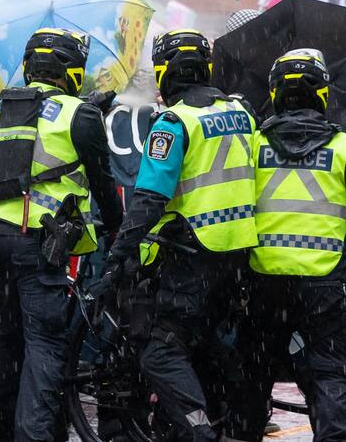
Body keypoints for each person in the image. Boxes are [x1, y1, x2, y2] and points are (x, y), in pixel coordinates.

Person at [94, 29, 258, 442]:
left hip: (192, 254)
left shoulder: (174, 121)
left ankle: (197, 430)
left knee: (160, 348)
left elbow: (149, 199)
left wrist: (117, 258)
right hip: (237, 254)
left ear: (166, 73)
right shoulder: (242, 112)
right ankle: (235, 420)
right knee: (205, 341)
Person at [0, 28, 123, 441]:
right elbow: (103, 184)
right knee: (45, 347)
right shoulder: (80, 115)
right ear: (71, 71)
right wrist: (121, 237)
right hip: (41, 247)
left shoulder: (2, 108)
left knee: (7, 338)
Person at [233, 49, 346, 442]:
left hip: (264, 280)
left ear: (275, 93)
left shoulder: (251, 145)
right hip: (325, 283)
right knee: (330, 372)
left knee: (255, 372)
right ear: (322, 94)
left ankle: (244, 432)